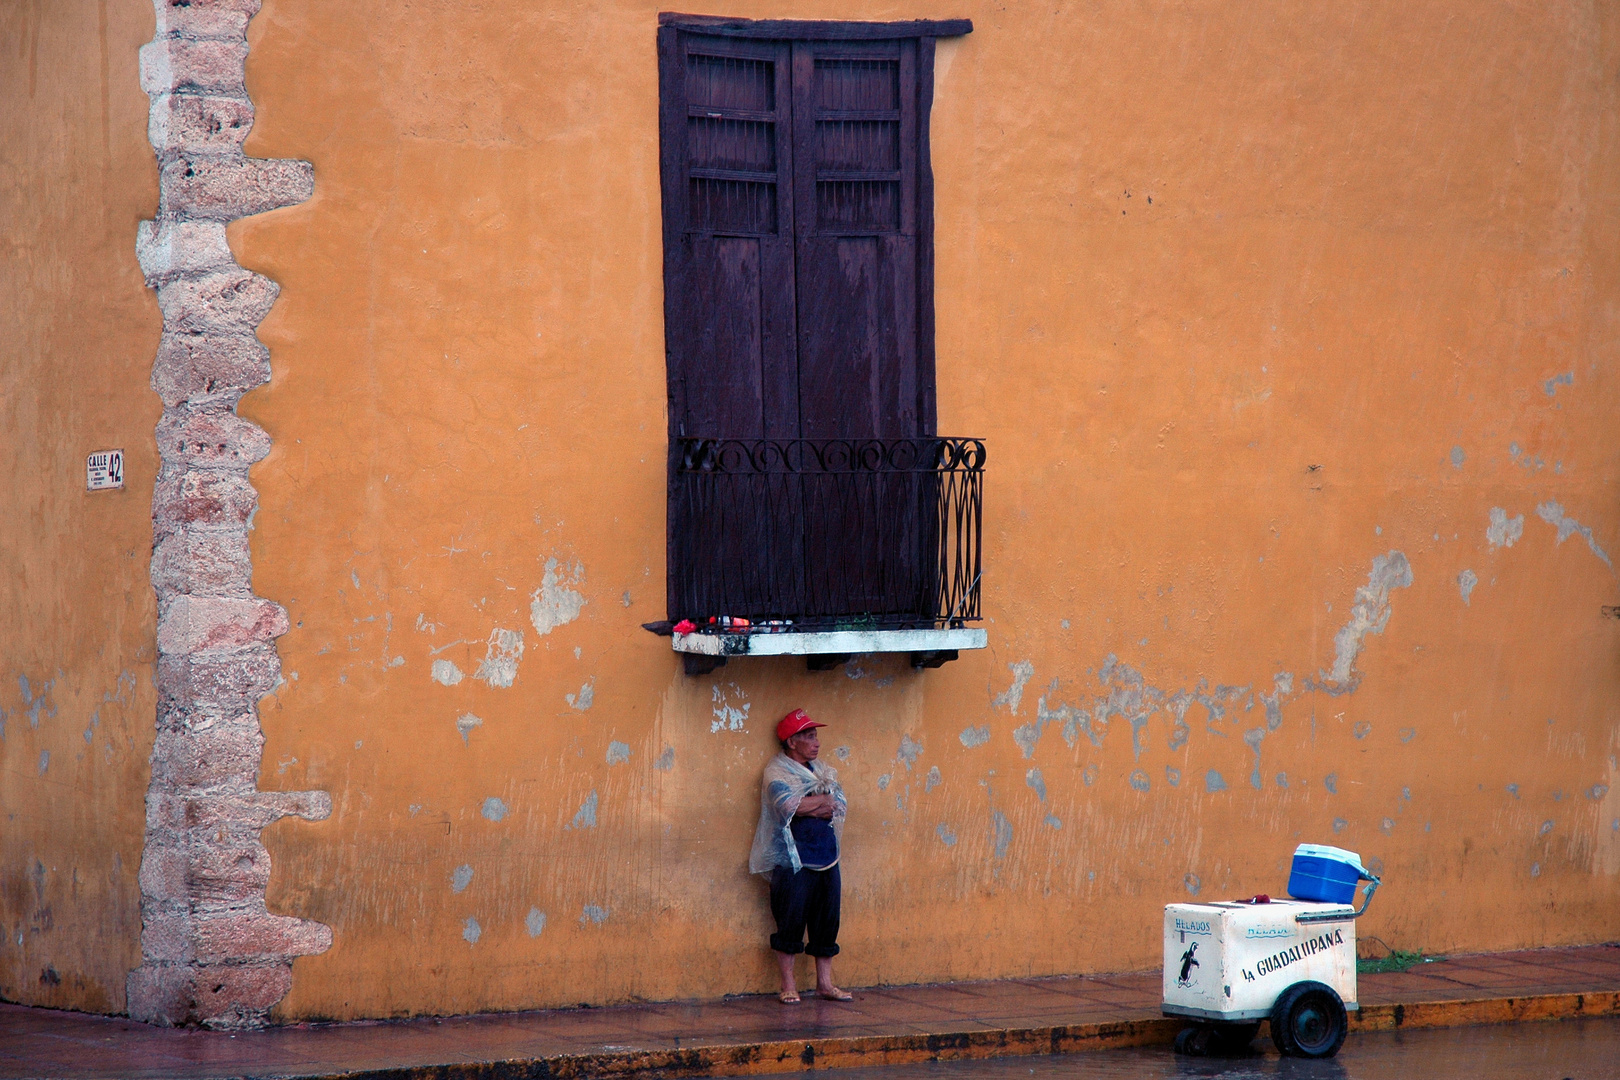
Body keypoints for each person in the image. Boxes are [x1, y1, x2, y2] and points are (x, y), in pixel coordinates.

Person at [750, 708, 852, 1003]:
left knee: (827, 920)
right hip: (792, 858)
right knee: (790, 919)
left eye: (815, 735)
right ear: (792, 742)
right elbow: (786, 806)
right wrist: (820, 802)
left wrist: (812, 803)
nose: (816, 742)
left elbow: (839, 803)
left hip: (827, 856)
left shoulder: (823, 770)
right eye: (808, 736)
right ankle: (788, 985)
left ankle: (825, 983)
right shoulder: (777, 772)